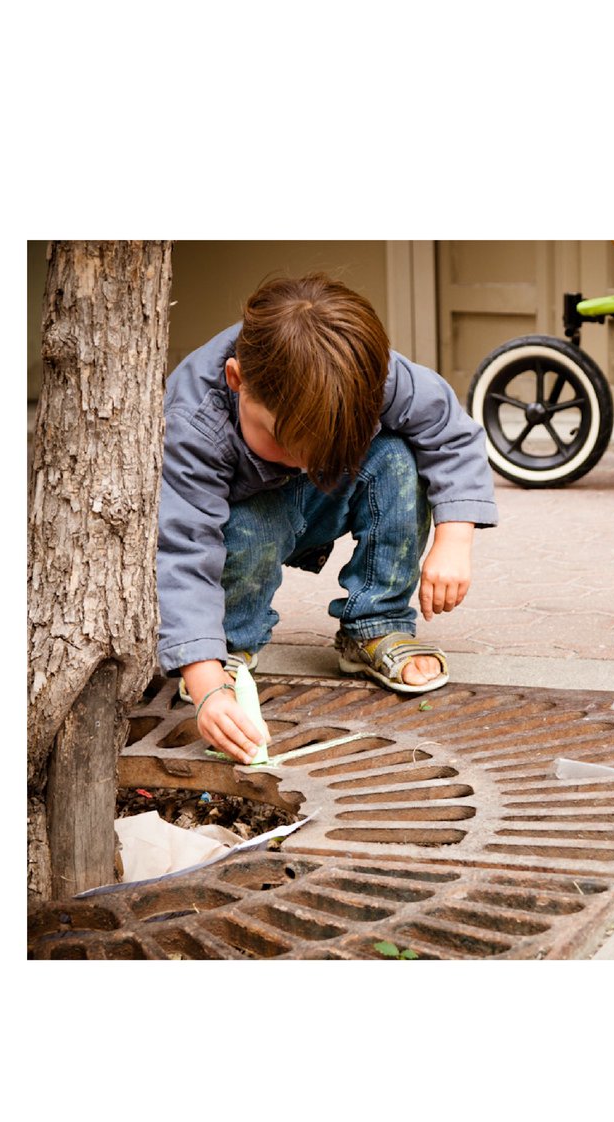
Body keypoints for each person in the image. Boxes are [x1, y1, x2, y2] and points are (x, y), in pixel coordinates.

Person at [157, 273, 499, 765]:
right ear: (238, 381)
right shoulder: (193, 420)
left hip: (325, 502)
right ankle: (227, 647)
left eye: (322, 445)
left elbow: (450, 434)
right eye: (282, 439)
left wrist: (454, 539)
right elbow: (185, 548)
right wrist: (205, 684)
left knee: (397, 458)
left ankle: (374, 625)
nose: (301, 462)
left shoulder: (370, 375)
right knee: (253, 525)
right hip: (244, 522)